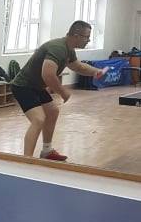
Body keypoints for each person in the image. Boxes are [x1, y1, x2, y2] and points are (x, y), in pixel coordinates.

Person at [10, 21, 106, 161]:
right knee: (38, 119)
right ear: (76, 36)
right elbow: (48, 74)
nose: (88, 40)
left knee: (52, 111)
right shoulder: (58, 48)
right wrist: (63, 92)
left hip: (36, 86)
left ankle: (47, 151)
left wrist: (95, 71)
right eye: (86, 37)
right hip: (23, 86)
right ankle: (26, 160)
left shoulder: (68, 49)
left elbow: (78, 67)